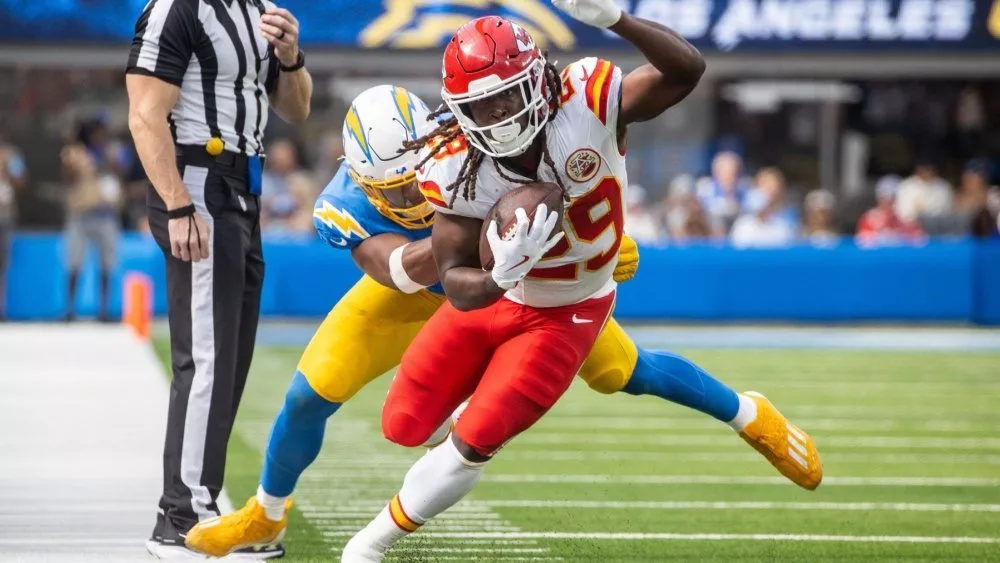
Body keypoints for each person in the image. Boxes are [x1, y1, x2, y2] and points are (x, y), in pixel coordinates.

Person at [185, 83, 822, 559]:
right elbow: (398, 272)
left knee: (623, 371)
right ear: (365, 182)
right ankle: (268, 514)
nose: (418, 195)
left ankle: (746, 412)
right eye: (401, 193)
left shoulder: (470, 140)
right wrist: (499, 241)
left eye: (419, 180)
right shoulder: (344, 206)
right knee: (307, 394)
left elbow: (566, 180)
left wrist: (589, 245)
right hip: (430, 289)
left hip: (519, 290)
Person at [343, 7, 820, 561]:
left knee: (479, 439)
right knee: (402, 424)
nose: (497, 116)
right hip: (503, 295)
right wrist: (501, 273)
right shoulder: (455, 161)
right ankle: (470, 402)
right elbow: (453, 281)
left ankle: (368, 546)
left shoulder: (585, 102)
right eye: (480, 106)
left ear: (540, 78)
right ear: (458, 110)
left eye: (507, 96)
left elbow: (687, 70)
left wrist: (616, 18)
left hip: (569, 309)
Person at [125, 0, 313, 558]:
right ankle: (183, 518)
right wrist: (177, 204)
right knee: (206, 358)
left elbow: (296, 109)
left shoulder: (260, 10)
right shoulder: (179, 8)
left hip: (242, 187)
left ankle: (202, 502)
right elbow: (144, 113)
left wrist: (291, 55)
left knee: (229, 359)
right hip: (200, 180)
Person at [61, 143, 121, 321]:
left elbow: (121, 169)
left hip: (105, 215)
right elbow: (67, 177)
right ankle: (69, 310)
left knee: (107, 264)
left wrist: (110, 160)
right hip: (81, 215)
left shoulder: (111, 151)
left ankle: (104, 310)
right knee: (74, 263)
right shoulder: (75, 154)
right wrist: (74, 162)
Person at [0, 137, 26, 322]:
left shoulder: (12, 154)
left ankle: (1, 310)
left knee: (2, 262)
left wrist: (8, 170)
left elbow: (21, 181)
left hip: (4, 214)